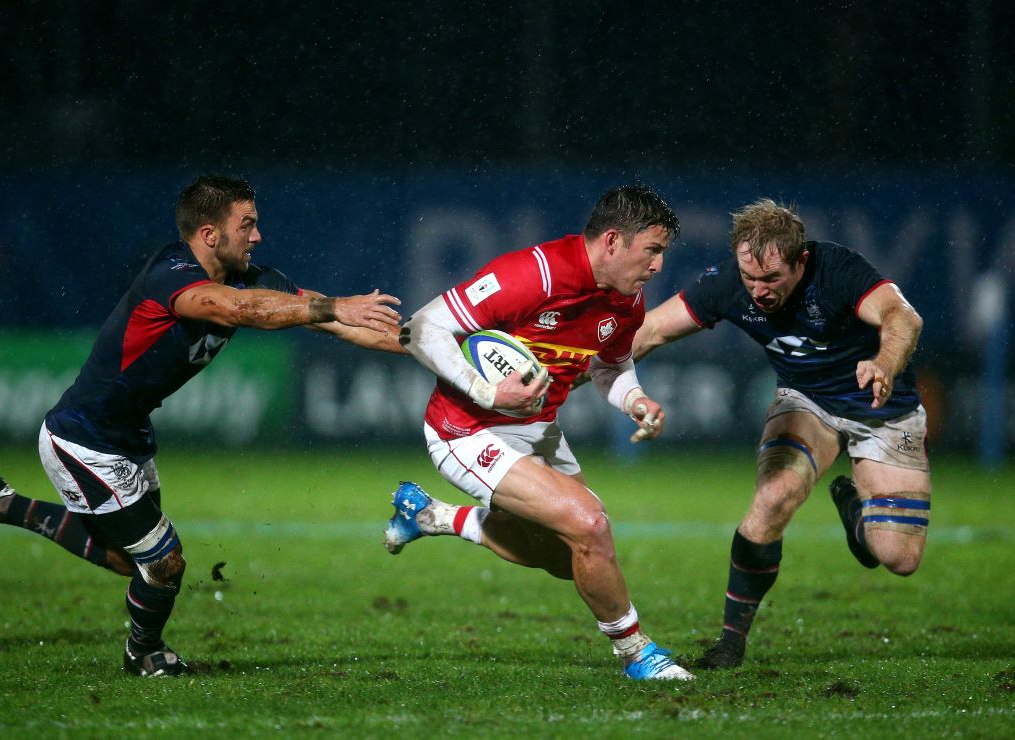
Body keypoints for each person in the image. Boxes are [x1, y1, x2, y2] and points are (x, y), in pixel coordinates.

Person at [0, 175, 404, 677]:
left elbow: (344, 323)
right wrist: (333, 304)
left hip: (128, 439)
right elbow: (238, 309)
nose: (258, 236)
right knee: (164, 563)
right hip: (82, 440)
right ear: (209, 233)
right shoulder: (171, 276)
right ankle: (144, 654)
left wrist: (443, 349)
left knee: (127, 560)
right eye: (247, 225)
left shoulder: (255, 280)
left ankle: (0, 503)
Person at [385, 185, 693, 681]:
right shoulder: (533, 274)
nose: (658, 265)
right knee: (589, 524)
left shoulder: (627, 300)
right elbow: (422, 328)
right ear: (613, 241)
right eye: (652, 250)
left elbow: (611, 367)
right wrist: (486, 392)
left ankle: (433, 516)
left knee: (562, 557)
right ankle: (639, 654)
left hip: (538, 429)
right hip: (466, 430)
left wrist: (634, 400)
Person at [627, 198, 930, 669]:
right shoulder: (726, 282)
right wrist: (569, 379)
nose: (759, 291)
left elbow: (903, 316)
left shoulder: (838, 269)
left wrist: (885, 363)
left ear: (800, 260)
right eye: (751, 279)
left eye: (772, 280)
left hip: (882, 406)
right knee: (773, 498)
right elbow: (647, 333)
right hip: (806, 402)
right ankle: (730, 643)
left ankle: (854, 511)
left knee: (898, 558)